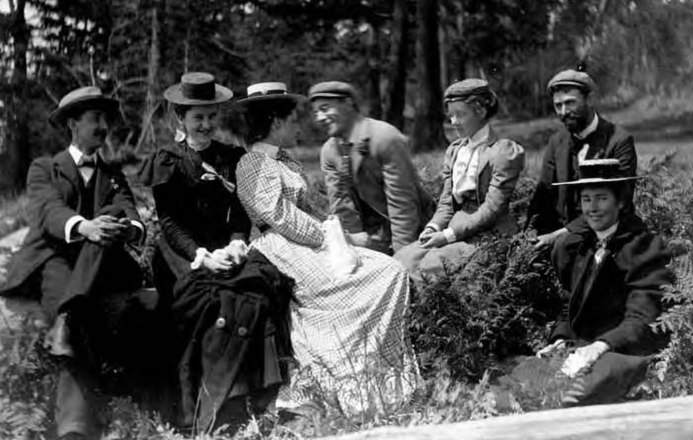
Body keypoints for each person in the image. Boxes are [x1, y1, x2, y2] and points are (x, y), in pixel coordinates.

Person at [236, 81, 418, 414]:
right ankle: (339, 386)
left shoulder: (285, 161)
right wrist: (329, 236)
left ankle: (374, 385)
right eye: (293, 120)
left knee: (389, 270)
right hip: (280, 247)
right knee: (381, 275)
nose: (300, 127)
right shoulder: (253, 163)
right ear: (275, 122)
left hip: (302, 241)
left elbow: (304, 207)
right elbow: (277, 215)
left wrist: (335, 230)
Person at [139, 72, 293, 433]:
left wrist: (238, 241)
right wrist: (203, 255)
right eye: (197, 117)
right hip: (183, 257)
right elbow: (170, 224)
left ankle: (259, 399)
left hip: (229, 249)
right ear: (181, 119)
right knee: (216, 302)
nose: (206, 124)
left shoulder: (231, 157)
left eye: (211, 116)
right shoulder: (168, 161)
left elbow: (240, 212)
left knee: (257, 289)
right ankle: (212, 410)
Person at [0, 86, 145, 440]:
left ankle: (66, 319)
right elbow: (47, 212)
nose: (103, 126)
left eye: (105, 119)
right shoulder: (44, 168)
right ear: (73, 124)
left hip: (108, 265)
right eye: (95, 119)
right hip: (56, 263)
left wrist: (123, 229)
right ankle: (76, 428)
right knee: (86, 320)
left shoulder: (113, 175)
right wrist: (86, 227)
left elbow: (133, 215)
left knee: (112, 214)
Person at [534, 158, 671, 406]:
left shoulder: (643, 248)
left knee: (574, 395)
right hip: (584, 349)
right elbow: (570, 305)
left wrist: (600, 347)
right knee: (523, 384)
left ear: (620, 201)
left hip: (625, 351)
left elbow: (643, 319)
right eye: (586, 200)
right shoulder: (581, 246)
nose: (593, 208)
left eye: (601, 198)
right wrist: (559, 339)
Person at [395, 79, 524, 284]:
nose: (453, 122)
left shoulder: (503, 151)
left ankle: (431, 313)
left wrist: (447, 236)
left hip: (488, 233)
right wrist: (433, 228)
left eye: (460, 115)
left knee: (430, 267)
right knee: (402, 259)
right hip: (453, 228)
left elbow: (492, 209)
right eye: (451, 115)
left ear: (480, 111)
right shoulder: (456, 151)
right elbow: (447, 202)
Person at [309, 80, 434, 255]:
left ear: (348, 103)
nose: (320, 118)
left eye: (325, 108)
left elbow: (402, 202)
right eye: (316, 112)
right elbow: (342, 205)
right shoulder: (330, 151)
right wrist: (355, 249)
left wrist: (402, 254)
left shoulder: (384, 138)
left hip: (419, 230)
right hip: (375, 235)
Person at [526, 68, 637, 248]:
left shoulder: (619, 140)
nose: (563, 111)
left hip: (608, 232)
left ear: (590, 100)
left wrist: (558, 236)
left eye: (570, 103)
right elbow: (543, 197)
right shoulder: (556, 142)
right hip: (561, 235)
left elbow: (620, 201)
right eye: (558, 105)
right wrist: (530, 233)